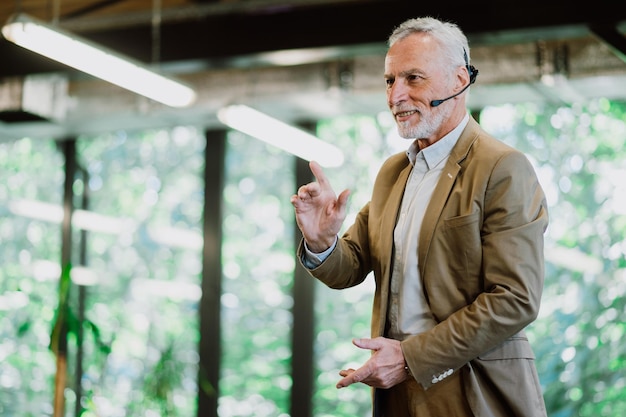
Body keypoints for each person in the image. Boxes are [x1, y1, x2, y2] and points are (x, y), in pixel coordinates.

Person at [290, 16, 549, 417]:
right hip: (397, 394)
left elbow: (514, 299)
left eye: (413, 78)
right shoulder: (393, 173)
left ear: (459, 80)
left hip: (474, 392)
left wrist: (410, 357)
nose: (396, 95)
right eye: (390, 81)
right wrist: (322, 242)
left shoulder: (502, 168)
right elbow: (352, 265)